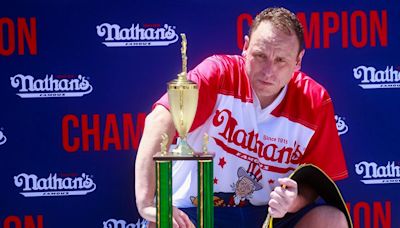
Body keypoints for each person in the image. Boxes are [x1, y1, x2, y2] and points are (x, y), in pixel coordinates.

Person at [135, 7, 349, 228]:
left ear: (298, 60)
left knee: (331, 220)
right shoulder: (219, 74)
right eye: (260, 56)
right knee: (166, 223)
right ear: (246, 47)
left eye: (281, 60)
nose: (268, 71)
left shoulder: (314, 101)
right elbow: (159, 120)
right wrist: (146, 202)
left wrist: (294, 201)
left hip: (269, 216)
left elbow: (316, 181)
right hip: (197, 209)